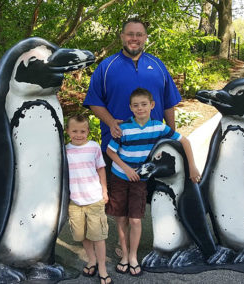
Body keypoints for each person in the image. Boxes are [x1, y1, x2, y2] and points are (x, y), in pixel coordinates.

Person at [105, 88, 200, 276]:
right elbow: (110, 152)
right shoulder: (123, 128)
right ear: (130, 108)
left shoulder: (158, 127)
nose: (140, 109)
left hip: (140, 180)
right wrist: (126, 168)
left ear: (152, 105)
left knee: (135, 219)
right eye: (136, 105)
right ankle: (124, 255)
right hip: (120, 177)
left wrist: (192, 166)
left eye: (144, 104)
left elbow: (185, 141)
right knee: (121, 219)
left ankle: (133, 256)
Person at [83, 17, 182, 174]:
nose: (134, 38)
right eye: (130, 34)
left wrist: (171, 141)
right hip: (117, 148)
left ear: (145, 37)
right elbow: (94, 101)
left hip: (154, 149)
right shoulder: (106, 67)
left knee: (154, 197)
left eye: (139, 34)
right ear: (122, 36)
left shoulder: (157, 65)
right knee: (118, 198)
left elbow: (168, 102)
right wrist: (110, 122)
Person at [65, 114, 113, 284]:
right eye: (75, 131)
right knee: (82, 234)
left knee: (98, 236)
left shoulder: (94, 147)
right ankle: (91, 260)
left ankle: (102, 268)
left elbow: (101, 169)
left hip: (94, 199)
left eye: (83, 131)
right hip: (75, 201)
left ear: (88, 131)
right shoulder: (65, 150)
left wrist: (105, 190)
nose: (79, 134)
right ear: (68, 131)